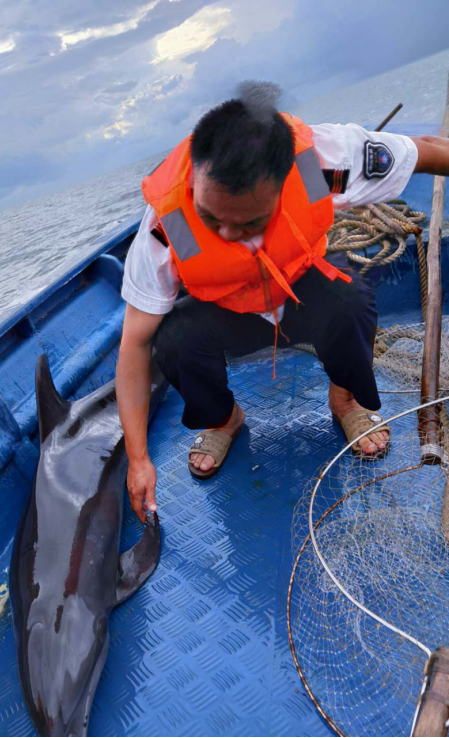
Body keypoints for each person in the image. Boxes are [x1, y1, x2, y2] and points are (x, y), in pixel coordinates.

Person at [116, 81, 449, 523]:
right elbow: (133, 344)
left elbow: (425, 150)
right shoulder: (170, 221)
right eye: (212, 218)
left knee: (351, 300)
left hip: (302, 292)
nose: (229, 235)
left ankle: (345, 401)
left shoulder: (315, 167)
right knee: (172, 337)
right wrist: (138, 459)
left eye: (250, 221)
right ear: (195, 177)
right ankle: (224, 419)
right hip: (230, 314)